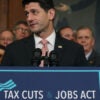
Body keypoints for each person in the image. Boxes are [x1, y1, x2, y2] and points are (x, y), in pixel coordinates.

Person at [1, 0, 88, 66]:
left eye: (34, 12)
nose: (29, 18)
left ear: (51, 14)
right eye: (27, 14)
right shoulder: (13, 50)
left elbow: (84, 84)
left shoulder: (74, 50)